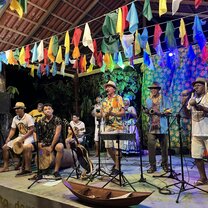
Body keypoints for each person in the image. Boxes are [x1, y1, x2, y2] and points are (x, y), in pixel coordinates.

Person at [97, 80, 125, 175]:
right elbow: (101, 114)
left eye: (109, 87)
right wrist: (99, 115)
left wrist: (113, 113)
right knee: (108, 147)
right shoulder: (104, 101)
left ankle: (117, 167)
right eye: (106, 87)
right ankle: (117, 164)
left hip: (117, 125)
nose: (107, 88)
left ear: (113, 89)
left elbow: (122, 112)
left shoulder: (118, 98)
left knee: (117, 148)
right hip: (107, 125)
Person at [0, 102, 34, 176]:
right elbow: (13, 130)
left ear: (22, 109)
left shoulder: (28, 117)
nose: (16, 110)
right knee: (5, 147)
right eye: (15, 109)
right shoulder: (15, 118)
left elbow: (32, 130)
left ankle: (27, 168)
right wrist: (9, 138)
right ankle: (6, 167)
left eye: (18, 108)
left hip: (29, 136)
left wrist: (23, 138)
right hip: (20, 136)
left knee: (25, 147)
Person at [145, 82, 172, 173]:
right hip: (152, 126)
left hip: (162, 126)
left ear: (158, 90)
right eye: (151, 89)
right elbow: (148, 111)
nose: (153, 90)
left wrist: (160, 113)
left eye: (155, 89)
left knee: (164, 147)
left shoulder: (164, 99)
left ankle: (165, 164)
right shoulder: (148, 100)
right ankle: (152, 166)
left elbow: (169, 111)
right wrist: (147, 112)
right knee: (151, 147)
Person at [32, 103, 64, 178]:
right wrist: (38, 142)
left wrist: (52, 146)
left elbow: (57, 134)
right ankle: (41, 168)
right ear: (43, 112)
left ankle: (56, 171)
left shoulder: (57, 119)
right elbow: (34, 132)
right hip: (44, 143)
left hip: (55, 142)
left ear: (52, 110)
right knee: (39, 152)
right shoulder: (40, 121)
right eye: (45, 109)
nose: (47, 110)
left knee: (60, 147)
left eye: (49, 109)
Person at [187, 77, 208, 186]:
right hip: (196, 133)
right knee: (196, 156)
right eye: (194, 85)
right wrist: (184, 100)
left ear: (205, 86)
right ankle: (203, 178)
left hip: (207, 132)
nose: (195, 87)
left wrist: (196, 105)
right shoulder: (193, 97)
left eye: (198, 85)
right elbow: (187, 114)